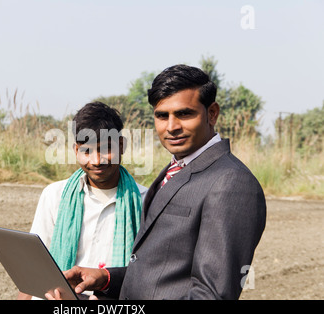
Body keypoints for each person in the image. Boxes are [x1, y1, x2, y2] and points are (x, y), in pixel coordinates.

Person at [46, 64, 266, 300]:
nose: (171, 127)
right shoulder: (174, 170)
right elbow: (157, 275)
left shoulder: (230, 182)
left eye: (184, 114)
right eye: (162, 116)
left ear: (212, 113)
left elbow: (211, 295)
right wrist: (106, 279)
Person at [18, 101, 147, 299]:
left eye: (105, 149)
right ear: (76, 149)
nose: (96, 161)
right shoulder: (54, 195)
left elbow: (150, 271)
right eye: (86, 151)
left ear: (122, 146)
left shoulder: (146, 201)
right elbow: (35, 267)